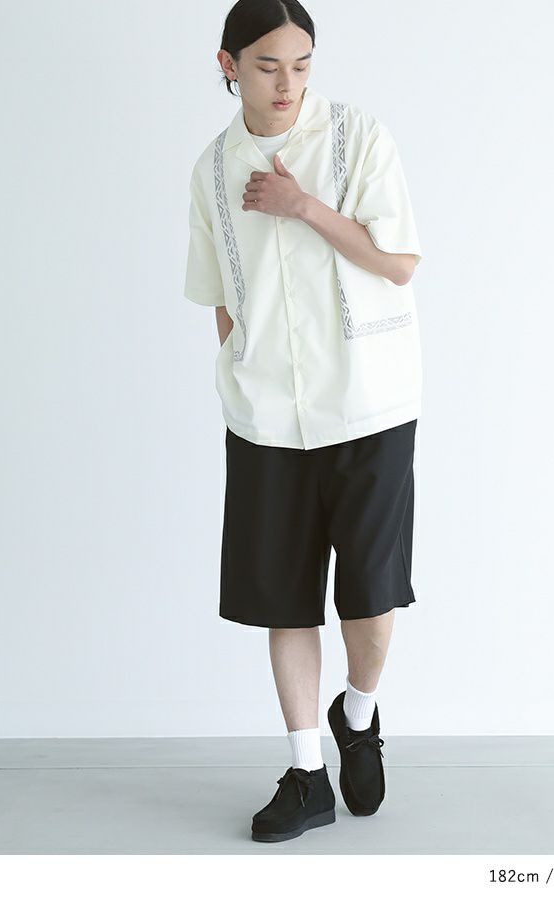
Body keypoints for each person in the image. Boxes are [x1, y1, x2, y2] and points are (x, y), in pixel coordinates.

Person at [184, 0, 423, 842]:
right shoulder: (212, 169)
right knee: (285, 600)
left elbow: (399, 264)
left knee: (371, 594)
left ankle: (358, 712)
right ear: (228, 67)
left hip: (367, 404)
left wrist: (303, 206)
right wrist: (242, 371)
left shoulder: (358, 137)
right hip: (267, 420)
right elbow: (220, 295)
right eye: (267, 66)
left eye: (302, 63)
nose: (287, 83)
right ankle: (307, 772)